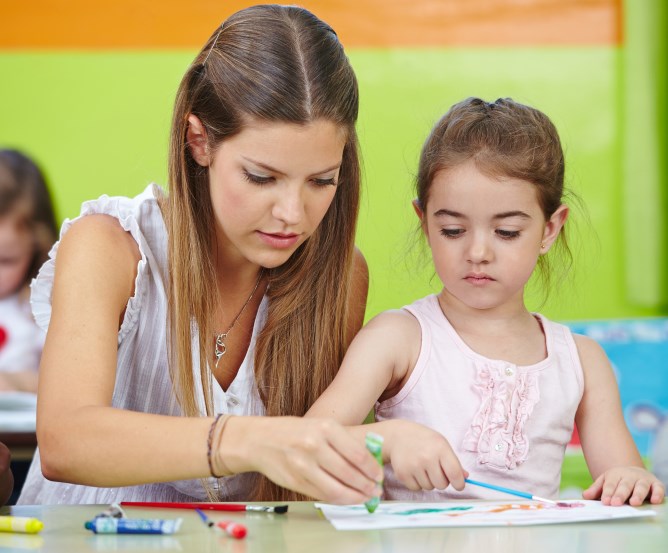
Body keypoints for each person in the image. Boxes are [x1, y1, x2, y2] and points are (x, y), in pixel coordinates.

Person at [17, 4, 383, 505]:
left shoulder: (340, 277)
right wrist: (251, 440)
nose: (293, 214)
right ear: (199, 141)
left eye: (322, 181)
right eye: (261, 177)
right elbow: (66, 440)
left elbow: (297, 492)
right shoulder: (110, 247)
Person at [307, 97, 665, 507]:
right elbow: (309, 442)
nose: (478, 252)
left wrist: (631, 480)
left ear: (550, 229)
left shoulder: (583, 361)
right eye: (454, 230)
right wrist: (386, 440)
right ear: (425, 224)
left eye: (507, 232)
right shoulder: (398, 338)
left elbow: (626, 484)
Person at [0, 149, 58, 393]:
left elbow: (63, 387)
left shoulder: (39, 309)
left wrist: (14, 383)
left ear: (37, 247)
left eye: (5, 260)